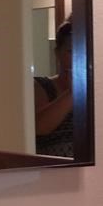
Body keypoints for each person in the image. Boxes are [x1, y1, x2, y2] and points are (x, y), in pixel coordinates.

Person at [33, 17, 74, 157]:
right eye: (71, 51)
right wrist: (73, 92)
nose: (78, 57)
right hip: (51, 172)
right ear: (58, 53)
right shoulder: (41, 85)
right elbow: (39, 127)